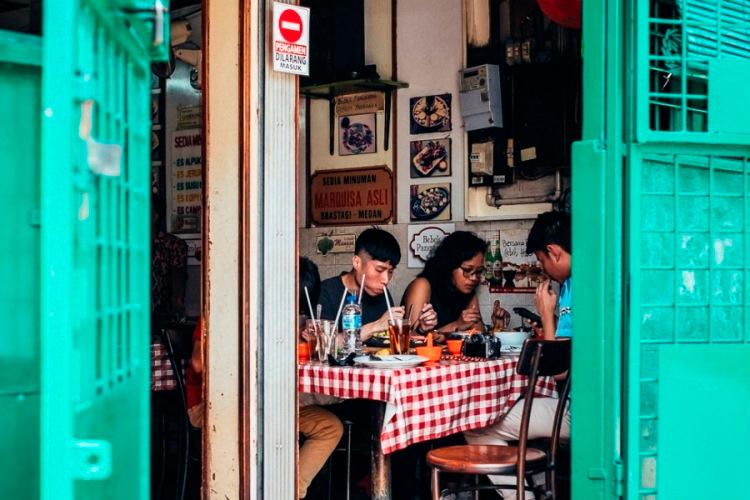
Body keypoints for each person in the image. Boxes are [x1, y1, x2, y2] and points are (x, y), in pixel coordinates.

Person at [463, 211, 572, 500]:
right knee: (514, 408)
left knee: (478, 425)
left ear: (554, 252)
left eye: (541, 260)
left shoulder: (573, 288)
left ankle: (525, 496)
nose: (543, 268)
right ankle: (538, 489)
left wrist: (548, 316)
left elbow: (558, 369)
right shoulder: (578, 282)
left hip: (580, 411)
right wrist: (547, 324)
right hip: (585, 402)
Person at [318, 227, 437, 338]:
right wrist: (375, 327)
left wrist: (421, 329)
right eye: (379, 270)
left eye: (390, 271)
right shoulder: (326, 292)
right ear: (357, 263)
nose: (385, 280)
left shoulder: (381, 293)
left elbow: (394, 340)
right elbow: (323, 344)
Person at [298, 257, 344, 499]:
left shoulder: (300, 324)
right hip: (232, 402)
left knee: (330, 426)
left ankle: (291, 490)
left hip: (282, 400)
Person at [401, 231, 495, 333]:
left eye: (479, 271)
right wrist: (456, 325)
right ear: (449, 266)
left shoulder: (468, 291)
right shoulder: (422, 286)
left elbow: (479, 335)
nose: (474, 278)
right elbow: (411, 338)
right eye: (467, 270)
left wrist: (496, 328)